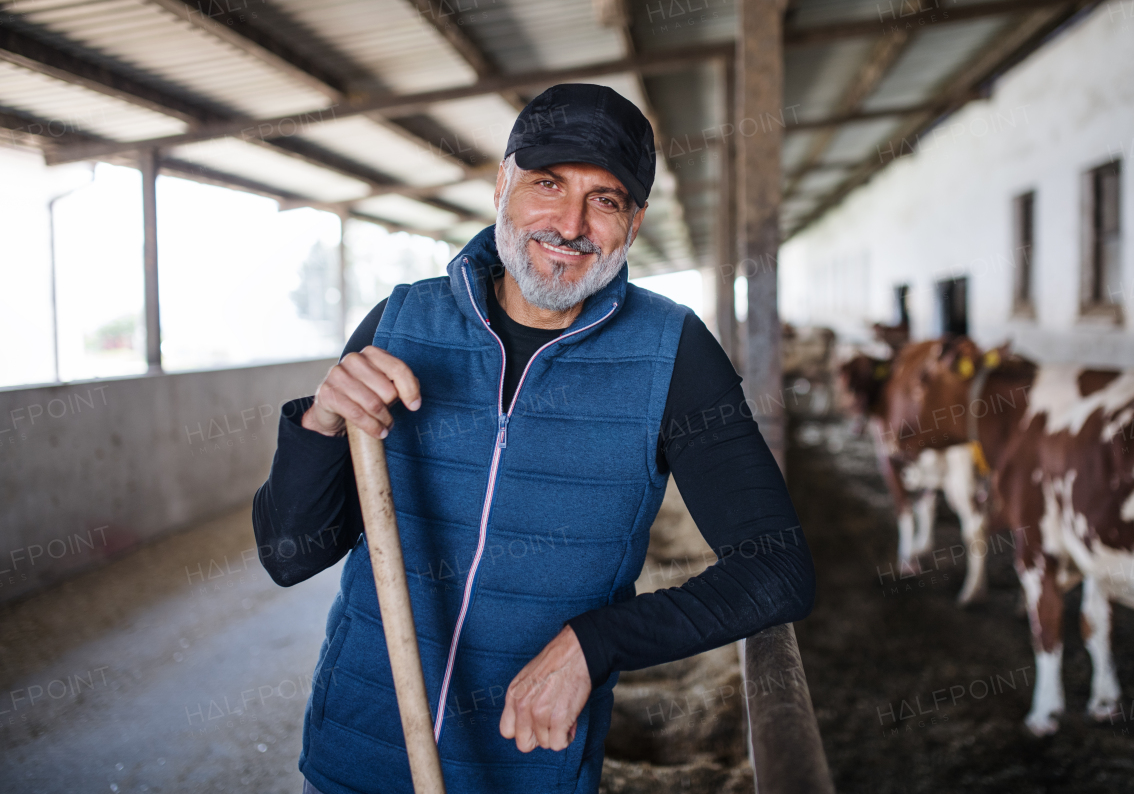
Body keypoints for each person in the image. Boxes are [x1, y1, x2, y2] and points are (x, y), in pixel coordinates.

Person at [253, 83, 815, 794]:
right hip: (356, 758)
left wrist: (596, 642)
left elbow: (777, 569)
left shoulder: (672, 354)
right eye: (547, 184)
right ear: (503, 186)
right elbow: (288, 555)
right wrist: (321, 423)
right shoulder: (400, 324)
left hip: (529, 767)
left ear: (634, 222)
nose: (570, 222)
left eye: (605, 199)